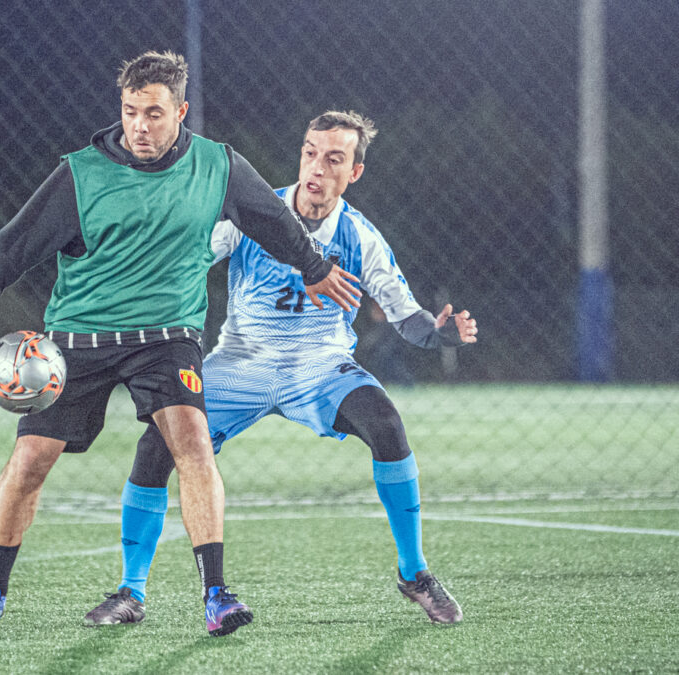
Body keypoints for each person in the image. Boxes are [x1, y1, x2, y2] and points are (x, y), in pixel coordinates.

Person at [0, 52, 362, 638]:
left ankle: (216, 594)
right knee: (29, 461)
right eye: (130, 111)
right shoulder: (81, 174)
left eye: (154, 114)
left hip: (166, 337)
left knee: (194, 443)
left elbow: (273, 220)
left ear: (180, 113)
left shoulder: (218, 166)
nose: (139, 126)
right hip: (78, 337)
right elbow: (13, 245)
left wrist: (313, 267)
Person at [83, 111, 477, 628]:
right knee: (156, 446)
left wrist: (439, 333)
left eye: (333, 159)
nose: (317, 167)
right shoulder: (252, 213)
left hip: (319, 366)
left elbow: (408, 318)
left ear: (354, 172)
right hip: (240, 364)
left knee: (386, 425)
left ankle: (414, 573)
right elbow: (186, 258)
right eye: (310, 153)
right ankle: (131, 592)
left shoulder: (360, 237)